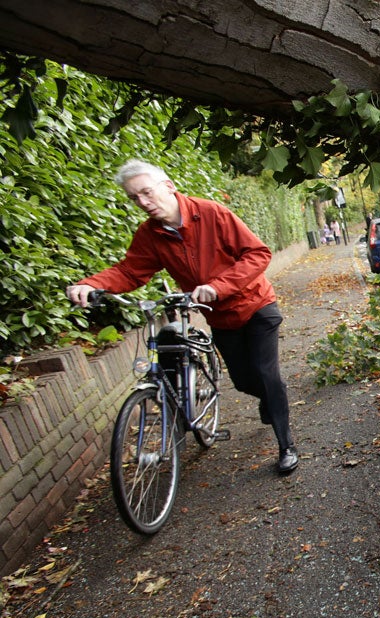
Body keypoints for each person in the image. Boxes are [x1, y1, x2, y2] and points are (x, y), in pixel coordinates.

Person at [66, 159, 299, 474]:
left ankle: (286, 447)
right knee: (245, 381)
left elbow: (258, 253)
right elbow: (131, 271)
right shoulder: (151, 234)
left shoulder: (212, 213)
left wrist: (218, 286)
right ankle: (269, 399)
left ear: (169, 186)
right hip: (219, 317)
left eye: (147, 193)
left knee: (267, 374)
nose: (143, 203)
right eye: (135, 198)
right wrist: (92, 284)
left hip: (255, 306)